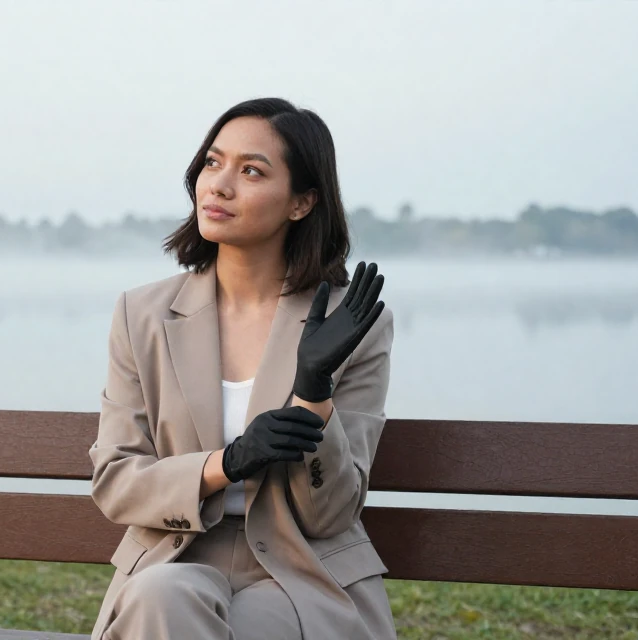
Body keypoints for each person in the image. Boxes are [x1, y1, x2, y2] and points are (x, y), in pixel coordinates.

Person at [87, 97, 397, 639]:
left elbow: (332, 515)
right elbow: (117, 482)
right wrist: (226, 463)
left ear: (301, 202)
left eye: (251, 171)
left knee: (256, 627)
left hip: (302, 569)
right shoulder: (142, 315)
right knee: (162, 598)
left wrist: (313, 390)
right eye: (212, 163)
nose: (219, 185)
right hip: (174, 557)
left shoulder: (353, 323)